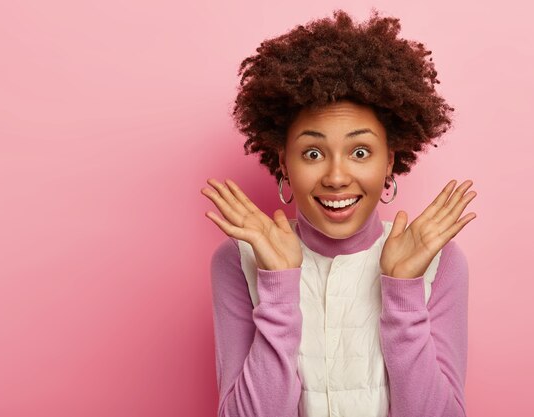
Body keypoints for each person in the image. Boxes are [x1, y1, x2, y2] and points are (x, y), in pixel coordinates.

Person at [200, 10, 476, 417]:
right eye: (312, 153)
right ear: (284, 164)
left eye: (360, 152)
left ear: (389, 162)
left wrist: (403, 294)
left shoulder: (439, 262)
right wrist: (277, 289)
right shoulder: (238, 260)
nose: (335, 176)